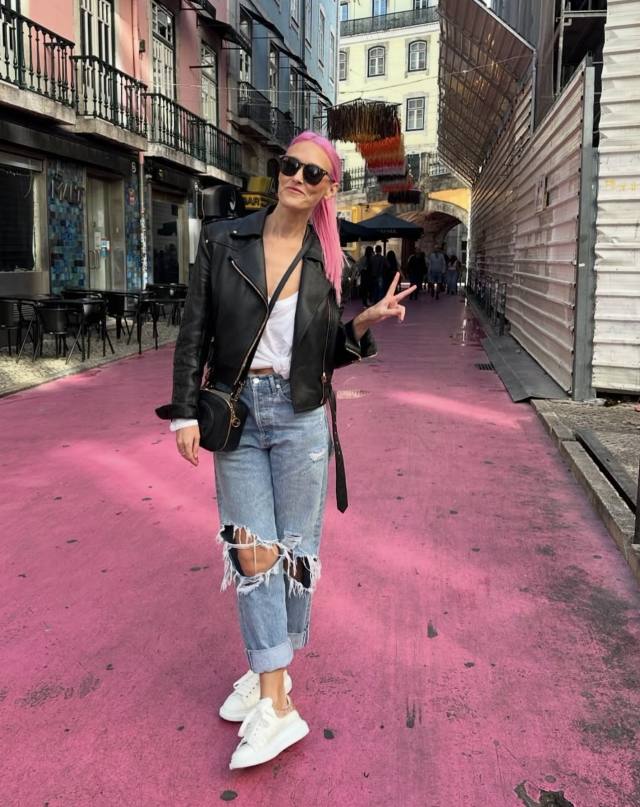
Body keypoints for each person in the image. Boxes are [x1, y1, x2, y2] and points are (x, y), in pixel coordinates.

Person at [156, 131, 416, 771]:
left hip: (300, 418)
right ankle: (277, 702)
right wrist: (184, 411)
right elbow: (194, 331)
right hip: (237, 412)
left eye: (313, 173)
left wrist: (364, 324)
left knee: (295, 554)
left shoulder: (325, 261)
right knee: (252, 550)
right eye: (290, 166)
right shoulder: (224, 241)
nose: (297, 177)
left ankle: (268, 670)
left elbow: (323, 355)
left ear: (328, 190)